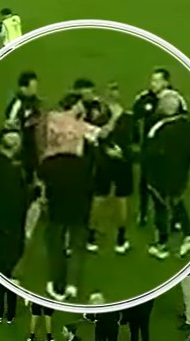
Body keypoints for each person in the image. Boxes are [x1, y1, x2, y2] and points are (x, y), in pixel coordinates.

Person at [36, 93, 121, 301]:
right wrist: (115, 115)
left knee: (56, 238)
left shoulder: (50, 118)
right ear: (74, 106)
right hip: (77, 177)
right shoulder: (80, 126)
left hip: (53, 174)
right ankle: (72, 284)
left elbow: (39, 139)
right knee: (77, 240)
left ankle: (58, 285)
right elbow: (102, 134)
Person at [144, 90, 190, 260]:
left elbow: (150, 154)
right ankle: (188, 237)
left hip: (160, 176)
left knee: (161, 208)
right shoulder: (189, 125)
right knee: (177, 201)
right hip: (181, 172)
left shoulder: (159, 129)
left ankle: (161, 244)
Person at [0, 127, 28, 324]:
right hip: (12, 223)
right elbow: (19, 200)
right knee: (9, 268)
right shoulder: (13, 172)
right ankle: (9, 312)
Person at [132, 68, 187, 226]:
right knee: (144, 182)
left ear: (166, 82)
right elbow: (135, 116)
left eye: (157, 81)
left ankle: (175, 218)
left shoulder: (175, 99)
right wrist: (136, 140)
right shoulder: (145, 97)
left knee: (170, 185)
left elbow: (184, 120)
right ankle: (143, 213)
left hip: (169, 149)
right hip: (149, 147)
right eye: (152, 80)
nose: (153, 84)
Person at [86, 83, 135, 255]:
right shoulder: (125, 117)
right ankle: (120, 239)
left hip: (108, 161)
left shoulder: (100, 116)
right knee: (117, 199)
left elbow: (99, 136)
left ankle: (92, 237)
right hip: (118, 162)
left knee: (102, 197)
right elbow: (133, 142)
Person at [4, 71, 42, 184]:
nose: (35, 90)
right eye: (32, 87)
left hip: (35, 144)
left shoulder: (36, 102)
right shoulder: (17, 105)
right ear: (23, 88)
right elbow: (10, 125)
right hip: (23, 147)